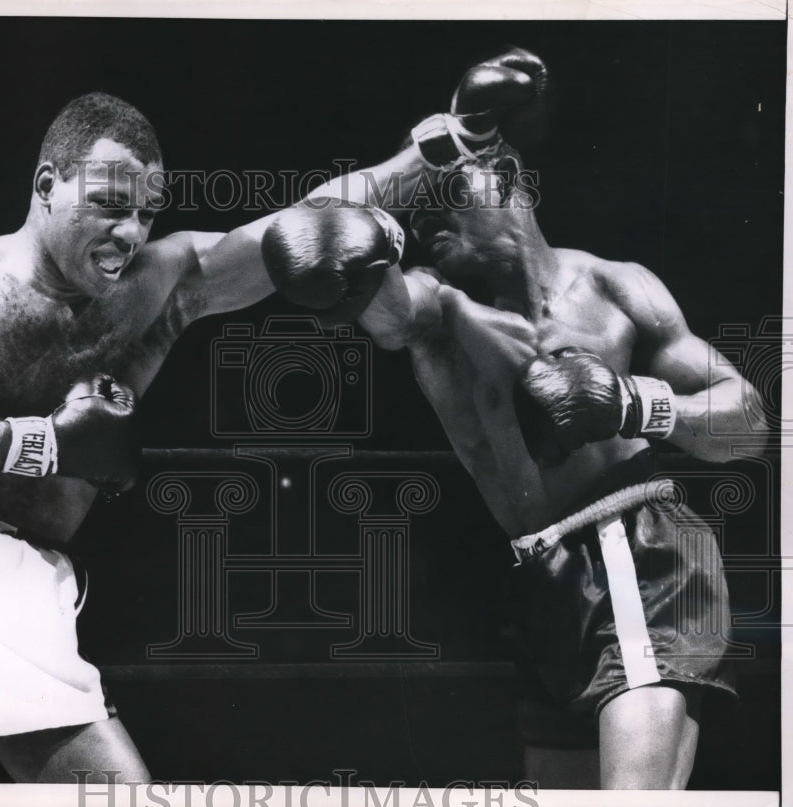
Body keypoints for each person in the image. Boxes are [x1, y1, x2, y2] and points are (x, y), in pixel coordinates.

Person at [0, 91, 413, 783]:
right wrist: (43, 442)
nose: (131, 232)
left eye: (146, 213)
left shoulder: (158, 284)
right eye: (110, 204)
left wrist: (436, 152)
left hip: (30, 577)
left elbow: (302, 224)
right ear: (48, 186)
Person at [261, 50, 768, 789]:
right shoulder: (435, 311)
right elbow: (301, 240)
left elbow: (750, 420)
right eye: (418, 203)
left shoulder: (619, 289)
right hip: (543, 585)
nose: (424, 210)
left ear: (508, 178)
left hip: (638, 552)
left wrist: (633, 402)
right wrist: (443, 144)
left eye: (448, 189)